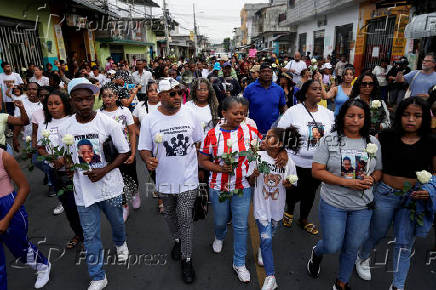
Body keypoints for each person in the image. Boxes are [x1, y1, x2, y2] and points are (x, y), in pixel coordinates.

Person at [357, 97, 436, 290]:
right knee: (377, 232)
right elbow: (374, 164)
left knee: (404, 243)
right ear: (398, 116)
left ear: (424, 118)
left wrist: (429, 189)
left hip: (413, 199)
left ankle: (398, 285)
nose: (411, 119)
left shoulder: (431, 141)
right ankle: (363, 256)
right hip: (385, 194)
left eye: (417, 115)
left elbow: (435, 172)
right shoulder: (387, 137)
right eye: (406, 114)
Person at [59, 77, 130, 290]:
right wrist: (65, 165)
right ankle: (98, 276)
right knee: (90, 236)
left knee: (117, 223)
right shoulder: (65, 127)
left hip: (110, 187)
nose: (84, 104)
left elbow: (124, 151)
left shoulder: (108, 123)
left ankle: (120, 242)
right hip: (84, 191)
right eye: (79, 100)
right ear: (71, 101)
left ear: (94, 99)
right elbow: (65, 156)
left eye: (88, 99)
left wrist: (105, 170)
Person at [307, 99, 382, 290]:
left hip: (362, 206)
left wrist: (371, 180)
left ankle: (342, 282)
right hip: (334, 203)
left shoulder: (372, 142)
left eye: (360, 116)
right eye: (351, 115)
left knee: (352, 246)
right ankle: (317, 252)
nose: (355, 120)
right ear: (342, 117)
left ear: (366, 119)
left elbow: (378, 171)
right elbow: (317, 171)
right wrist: (348, 183)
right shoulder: (328, 140)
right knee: (332, 245)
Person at [138, 78, 203, 284]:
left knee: (184, 216)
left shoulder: (190, 114)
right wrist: (148, 159)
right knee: (168, 214)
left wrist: (199, 169)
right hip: (164, 179)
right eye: (173, 94)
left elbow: (197, 141)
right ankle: (177, 240)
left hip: (188, 177)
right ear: (161, 96)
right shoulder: (150, 119)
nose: (178, 97)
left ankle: (187, 258)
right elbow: (144, 148)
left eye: (180, 93)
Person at [198, 96, 262, 284]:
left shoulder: (250, 130)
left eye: (243, 113)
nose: (240, 116)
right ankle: (219, 236)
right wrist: (220, 168)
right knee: (220, 220)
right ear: (224, 113)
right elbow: (202, 161)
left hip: (242, 187)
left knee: (241, 226)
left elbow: (261, 149)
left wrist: (258, 167)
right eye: (235, 113)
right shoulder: (211, 134)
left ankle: (239, 263)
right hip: (219, 187)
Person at [278, 79, 334, 235]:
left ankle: (303, 219)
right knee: (293, 190)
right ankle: (289, 210)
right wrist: (282, 151)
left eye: (320, 89)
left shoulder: (327, 113)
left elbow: (336, 134)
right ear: (305, 92)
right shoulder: (294, 111)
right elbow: (279, 132)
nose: (319, 91)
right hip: (295, 161)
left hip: (318, 164)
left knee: (310, 193)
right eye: (314, 89)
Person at [247, 127, 299, 290]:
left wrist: (288, 184)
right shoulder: (257, 157)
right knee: (267, 238)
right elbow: (250, 182)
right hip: (261, 207)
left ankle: (263, 249)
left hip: (277, 208)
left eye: (269, 137)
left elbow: (291, 184)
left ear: (280, 144)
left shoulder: (288, 162)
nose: (265, 138)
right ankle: (271, 277)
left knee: (271, 233)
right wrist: (253, 175)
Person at [36, 90, 84, 247]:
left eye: (57, 103)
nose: (53, 107)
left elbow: (80, 144)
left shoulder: (73, 121)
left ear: (65, 104)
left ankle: (89, 236)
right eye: (49, 104)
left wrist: (64, 159)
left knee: (82, 206)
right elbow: (41, 147)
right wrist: (52, 159)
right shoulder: (45, 125)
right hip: (56, 172)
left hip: (75, 171)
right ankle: (79, 234)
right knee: (69, 206)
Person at [0, 149, 51, 289]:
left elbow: (24, 188)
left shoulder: (3, 156)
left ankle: (42, 265)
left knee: (21, 250)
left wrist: (7, 218)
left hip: (8, 208)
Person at [100, 86, 139, 221]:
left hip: (126, 151)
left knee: (131, 177)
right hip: (110, 155)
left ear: (116, 97)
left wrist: (133, 153)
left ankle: (135, 193)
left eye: (111, 95)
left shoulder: (125, 111)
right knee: (117, 181)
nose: (108, 99)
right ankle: (124, 206)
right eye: (104, 96)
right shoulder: (99, 115)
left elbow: (132, 132)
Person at [244, 63, 287, 135]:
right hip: (254, 131)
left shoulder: (278, 89)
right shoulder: (249, 89)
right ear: (259, 73)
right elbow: (244, 108)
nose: (267, 73)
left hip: (273, 131)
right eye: (264, 71)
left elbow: (283, 107)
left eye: (269, 71)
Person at [0, 62, 24, 137]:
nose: (8, 68)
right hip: (6, 99)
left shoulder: (16, 75)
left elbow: (22, 85)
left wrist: (14, 86)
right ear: (3, 68)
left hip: (16, 98)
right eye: (6, 67)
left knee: (18, 113)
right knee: (9, 115)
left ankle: (20, 128)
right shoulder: (1, 76)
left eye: (9, 66)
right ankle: (11, 129)